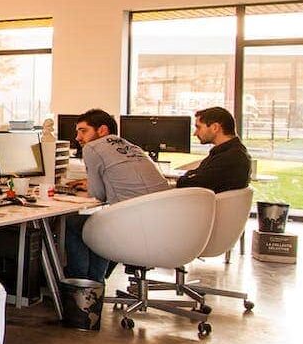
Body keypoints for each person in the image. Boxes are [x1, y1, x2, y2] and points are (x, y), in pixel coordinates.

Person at [65, 109, 170, 281]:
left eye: (83, 131)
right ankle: (95, 283)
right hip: (161, 225)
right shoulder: (132, 147)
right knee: (98, 222)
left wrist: (84, 188)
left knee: (73, 223)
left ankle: (80, 283)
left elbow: (97, 195)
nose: (77, 138)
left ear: (102, 130)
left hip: (132, 225)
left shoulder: (92, 147)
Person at [175, 106, 251, 193]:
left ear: (215, 127)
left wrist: (182, 180)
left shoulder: (230, 158)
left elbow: (193, 184)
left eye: (198, 127)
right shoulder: (230, 152)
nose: (195, 133)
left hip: (205, 204)